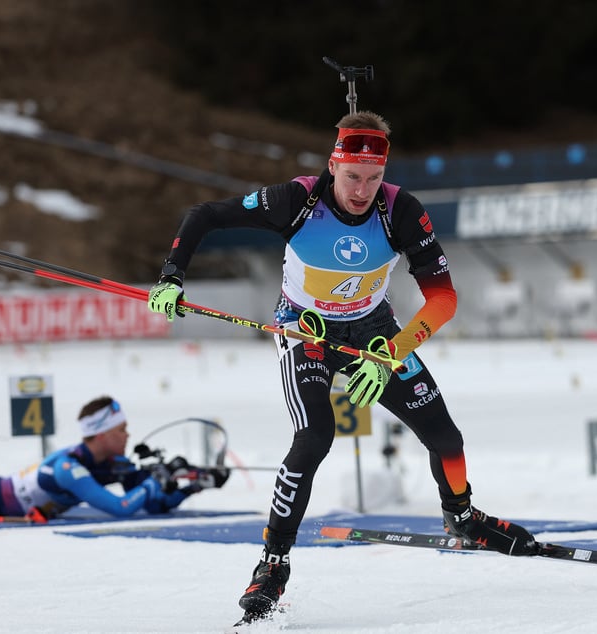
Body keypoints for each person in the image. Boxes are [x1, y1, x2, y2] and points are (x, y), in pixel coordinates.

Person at [147, 111, 538, 625]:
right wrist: (172, 276)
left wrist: (393, 351)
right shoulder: (297, 200)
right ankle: (273, 562)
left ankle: (462, 518)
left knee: (447, 439)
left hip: (374, 335)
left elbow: (443, 298)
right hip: (305, 332)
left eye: (373, 178)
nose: (362, 190)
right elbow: (204, 215)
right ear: (334, 166)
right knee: (314, 438)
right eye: (352, 176)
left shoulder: (400, 210)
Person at [0, 396, 211, 520]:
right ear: (101, 434)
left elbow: (151, 506)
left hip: (1, 503)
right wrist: (153, 482)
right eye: (121, 429)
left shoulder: (113, 465)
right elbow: (122, 507)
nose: (128, 435)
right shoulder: (68, 467)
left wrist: (189, 486)